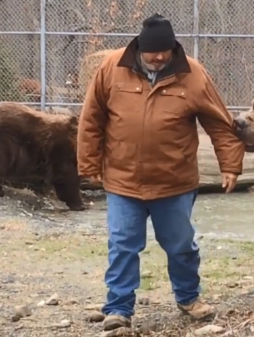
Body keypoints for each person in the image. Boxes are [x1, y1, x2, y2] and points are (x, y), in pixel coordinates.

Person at [76, 13, 245, 331]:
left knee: (181, 244)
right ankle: (118, 307)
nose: (158, 57)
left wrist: (231, 165)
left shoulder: (193, 74)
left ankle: (188, 297)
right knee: (123, 243)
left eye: (164, 51)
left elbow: (220, 124)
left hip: (174, 182)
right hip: (123, 179)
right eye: (152, 51)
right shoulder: (112, 68)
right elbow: (92, 118)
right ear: (139, 47)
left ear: (173, 49)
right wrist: (88, 163)